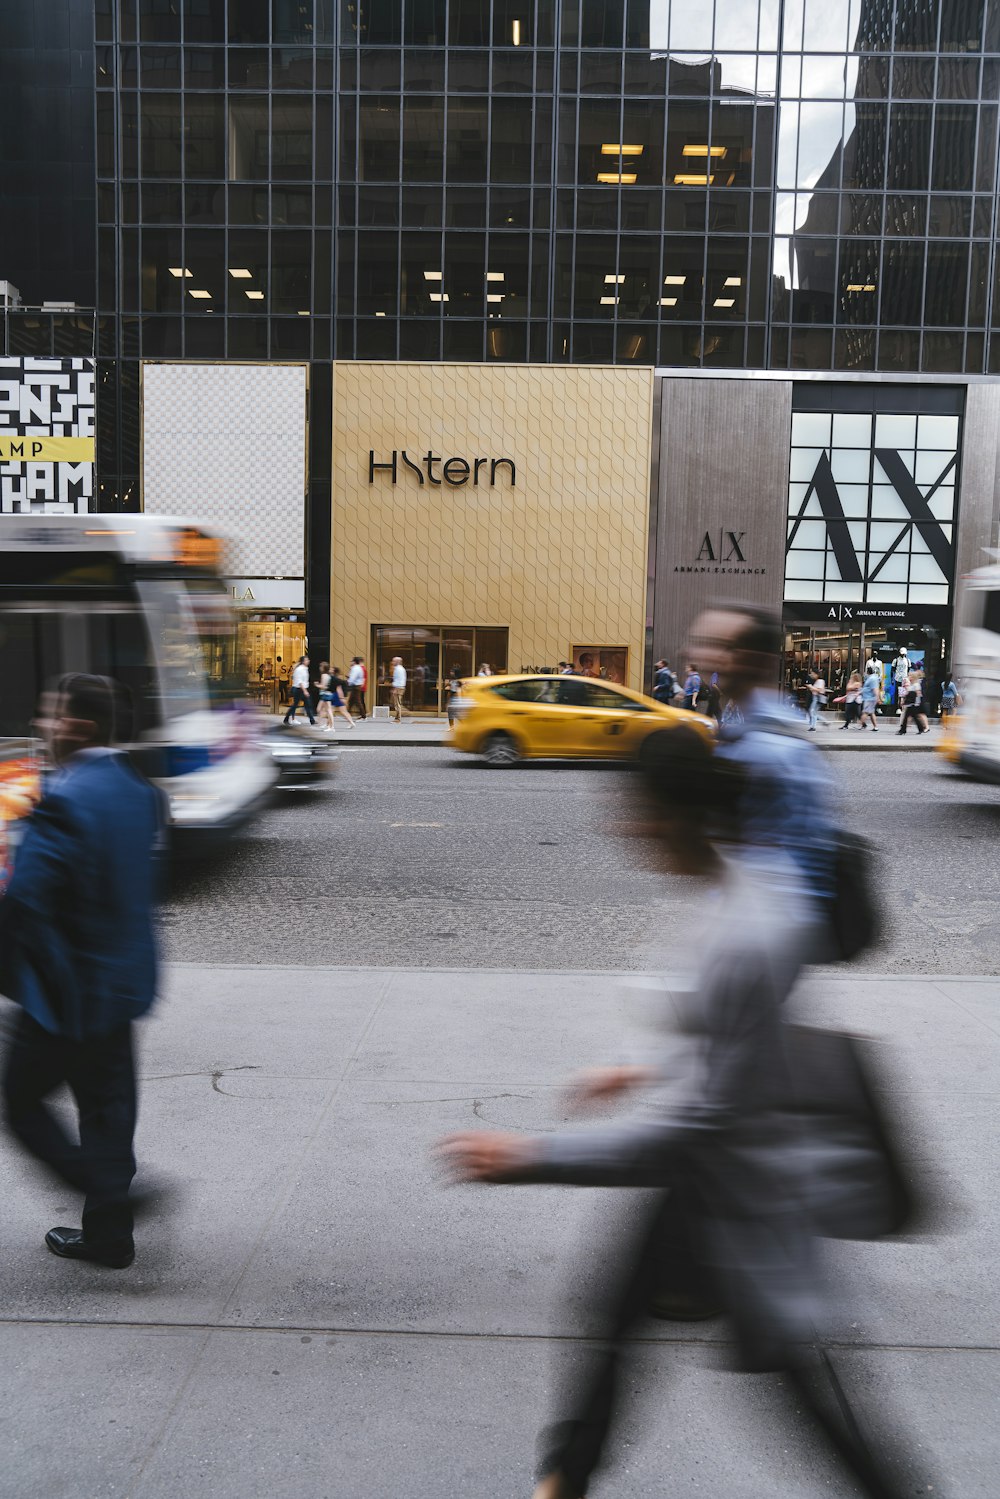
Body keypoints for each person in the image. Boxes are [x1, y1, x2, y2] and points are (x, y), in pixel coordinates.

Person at [439, 608, 922, 1499]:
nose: (623, 829)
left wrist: (531, 1155)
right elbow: (709, 1013)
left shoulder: (749, 916)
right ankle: (564, 1479)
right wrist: (644, 1060)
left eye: (634, 810)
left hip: (740, 1186)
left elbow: (699, 1120)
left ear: (678, 817)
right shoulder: (734, 885)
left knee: (799, 1385)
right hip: (722, 1173)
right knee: (614, 1324)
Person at [0, 674, 164, 1270]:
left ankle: (113, 1194)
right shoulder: (138, 789)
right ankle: (108, 1236)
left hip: (65, 992)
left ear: (80, 726)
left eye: (51, 714)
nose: (43, 725)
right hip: (123, 983)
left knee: (19, 1102)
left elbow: (23, 901)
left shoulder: (65, 799)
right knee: (107, 1111)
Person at [282, 655, 315, 726]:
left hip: (303, 689)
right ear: (303, 661)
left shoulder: (305, 668)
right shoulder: (300, 669)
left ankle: (312, 720)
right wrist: (305, 691)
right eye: (306, 660)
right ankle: (286, 718)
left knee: (307, 704)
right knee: (295, 705)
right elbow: (300, 681)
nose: (308, 661)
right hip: (299, 689)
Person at [897, 669, 929, 736]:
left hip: (913, 704)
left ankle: (903, 730)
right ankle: (920, 728)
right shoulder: (911, 685)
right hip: (910, 704)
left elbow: (918, 694)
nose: (909, 677)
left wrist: (917, 703)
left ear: (914, 677)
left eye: (911, 676)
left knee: (907, 717)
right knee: (914, 717)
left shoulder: (916, 685)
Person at [858, 665, 882, 731]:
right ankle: (875, 727)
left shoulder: (872, 679)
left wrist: (877, 698)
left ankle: (860, 725)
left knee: (865, 712)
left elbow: (875, 689)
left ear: (868, 672)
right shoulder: (872, 678)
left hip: (870, 698)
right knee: (871, 713)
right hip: (869, 698)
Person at [315, 661, 335, 731]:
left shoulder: (323, 675)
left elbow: (323, 686)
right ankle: (329, 725)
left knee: (328, 710)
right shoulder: (329, 675)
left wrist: (317, 685)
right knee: (327, 710)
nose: (320, 668)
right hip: (328, 693)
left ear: (323, 668)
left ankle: (331, 726)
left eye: (321, 667)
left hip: (325, 694)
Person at [890, 648, 909, 713]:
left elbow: (908, 670)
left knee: (904, 694)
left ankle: (902, 707)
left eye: (904, 654)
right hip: (897, 679)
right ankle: (897, 707)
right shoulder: (896, 660)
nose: (903, 655)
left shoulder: (907, 660)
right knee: (897, 694)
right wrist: (892, 679)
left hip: (905, 679)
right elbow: (892, 670)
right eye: (902, 654)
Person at [389, 656, 407, 722]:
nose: (392, 662)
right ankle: (398, 716)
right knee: (397, 703)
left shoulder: (398, 669)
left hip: (398, 687)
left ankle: (398, 718)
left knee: (397, 704)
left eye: (394, 661)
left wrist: (395, 688)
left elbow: (398, 680)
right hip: (400, 687)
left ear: (397, 662)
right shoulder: (401, 669)